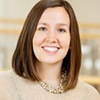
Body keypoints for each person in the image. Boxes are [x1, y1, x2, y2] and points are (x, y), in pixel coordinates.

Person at [0, 0, 100, 100]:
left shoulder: (89, 95)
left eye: (61, 30)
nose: (51, 38)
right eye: (43, 28)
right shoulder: (4, 85)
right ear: (29, 35)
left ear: (71, 41)